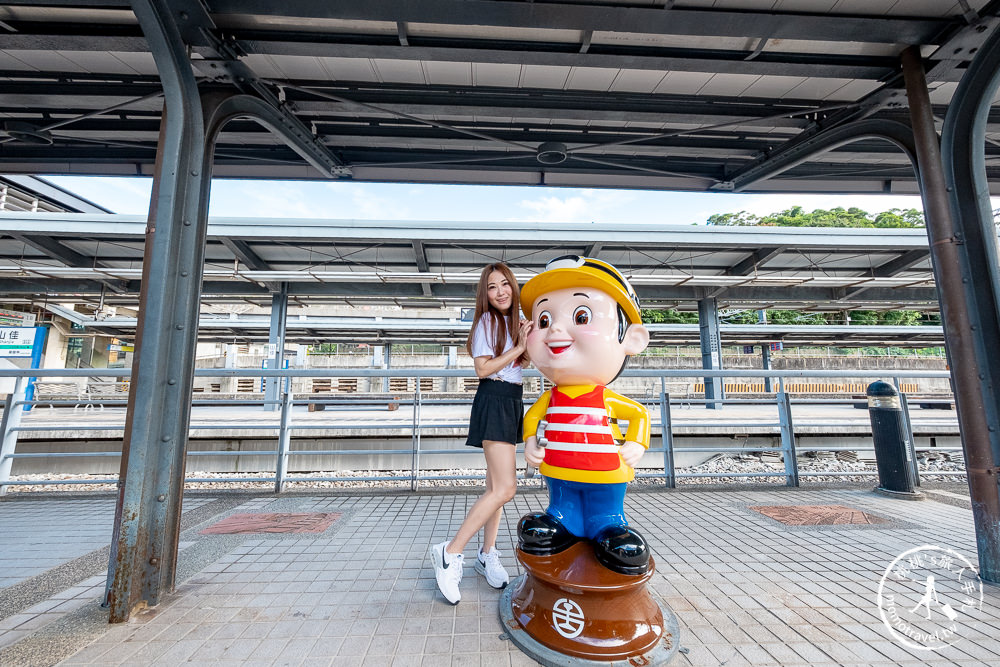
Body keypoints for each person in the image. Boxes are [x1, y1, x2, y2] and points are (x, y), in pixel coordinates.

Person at [518, 255, 652, 575]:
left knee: (605, 507)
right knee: (561, 503)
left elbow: (639, 414)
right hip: (559, 470)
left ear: (632, 337)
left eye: (581, 316)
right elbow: (532, 417)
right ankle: (561, 519)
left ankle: (608, 525)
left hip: (605, 471)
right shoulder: (551, 396)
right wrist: (529, 441)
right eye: (545, 320)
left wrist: (637, 443)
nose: (555, 331)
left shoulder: (605, 398)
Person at [430, 262, 532, 604]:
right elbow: (482, 368)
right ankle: (450, 551)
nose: (500, 291)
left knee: (495, 487)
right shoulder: (487, 321)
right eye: (492, 287)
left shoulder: (514, 321)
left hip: (512, 400)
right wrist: (518, 347)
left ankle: (487, 554)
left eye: (505, 284)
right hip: (495, 397)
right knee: (506, 488)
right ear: (484, 294)